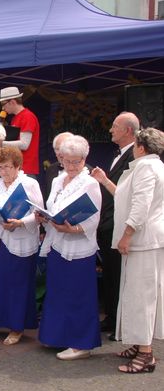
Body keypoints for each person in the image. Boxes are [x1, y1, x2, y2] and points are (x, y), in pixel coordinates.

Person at [91, 127, 164, 374]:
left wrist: (127, 235)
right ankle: (139, 344)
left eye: (135, 146)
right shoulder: (153, 166)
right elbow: (125, 197)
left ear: (141, 147)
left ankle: (145, 354)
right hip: (146, 241)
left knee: (141, 296)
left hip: (143, 242)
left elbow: (141, 205)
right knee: (135, 293)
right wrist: (105, 181)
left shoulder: (145, 168)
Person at [37, 135, 102, 360]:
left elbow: (93, 218)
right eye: (68, 161)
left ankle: (81, 344)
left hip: (78, 248)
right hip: (57, 243)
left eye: (77, 161)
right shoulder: (58, 180)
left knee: (79, 294)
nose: (72, 166)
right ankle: (58, 337)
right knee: (58, 292)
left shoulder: (90, 183)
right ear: (61, 159)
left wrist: (72, 229)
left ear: (84, 160)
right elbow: (52, 207)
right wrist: (44, 217)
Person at [0, 147, 43, 345]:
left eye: (7, 167)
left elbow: (38, 214)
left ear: (17, 166)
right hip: (0, 241)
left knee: (18, 285)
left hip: (21, 241)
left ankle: (16, 327)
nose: (3, 171)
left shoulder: (30, 183)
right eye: (0, 167)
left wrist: (21, 222)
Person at [91, 112, 139, 338]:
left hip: (119, 222)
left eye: (114, 126)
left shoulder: (135, 156)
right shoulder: (118, 153)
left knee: (119, 274)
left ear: (127, 130)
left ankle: (120, 322)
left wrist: (103, 180)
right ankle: (111, 317)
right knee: (110, 273)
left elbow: (126, 194)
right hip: (108, 221)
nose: (110, 130)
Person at [0, 87, 40, 177]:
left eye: (3, 104)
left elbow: (24, 144)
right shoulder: (15, 118)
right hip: (16, 168)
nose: (3, 108)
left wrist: (0, 143)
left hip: (26, 169)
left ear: (12, 102)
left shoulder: (27, 116)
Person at [44, 132, 73, 201]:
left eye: (64, 148)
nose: (60, 153)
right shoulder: (51, 170)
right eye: (57, 149)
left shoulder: (86, 171)